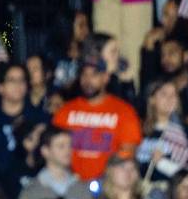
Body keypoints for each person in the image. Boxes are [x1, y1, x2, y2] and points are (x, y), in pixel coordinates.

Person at [52, 45, 142, 181]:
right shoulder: (65, 111)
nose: (88, 80)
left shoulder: (124, 111)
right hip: (71, 184)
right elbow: (53, 150)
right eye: (84, 74)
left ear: (106, 77)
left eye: (94, 74)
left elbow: (128, 154)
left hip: (109, 185)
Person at [0, 63, 49, 184]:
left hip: (34, 183)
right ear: (0, 87)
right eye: (12, 80)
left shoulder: (39, 118)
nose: (18, 85)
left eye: (22, 80)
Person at [14, 125, 93, 199]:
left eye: (70, 146)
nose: (68, 151)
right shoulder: (31, 191)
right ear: (45, 151)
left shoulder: (81, 188)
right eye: (61, 146)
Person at [138, 78, 188, 178]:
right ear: (152, 99)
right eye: (164, 94)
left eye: (174, 94)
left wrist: (163, 163)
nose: (170, 98)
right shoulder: (139, 129)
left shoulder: (187, 132)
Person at [144, 39, 188, 126]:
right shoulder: (157, 83)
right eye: (163, 55)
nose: (166, 60)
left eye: (171, 53)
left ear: (186, 56)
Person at [52, 11, 91, 92]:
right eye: (81, 25)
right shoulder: (53, 53)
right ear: (68, 27)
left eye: (86, 25)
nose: (86, 29)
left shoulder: (89, 51)